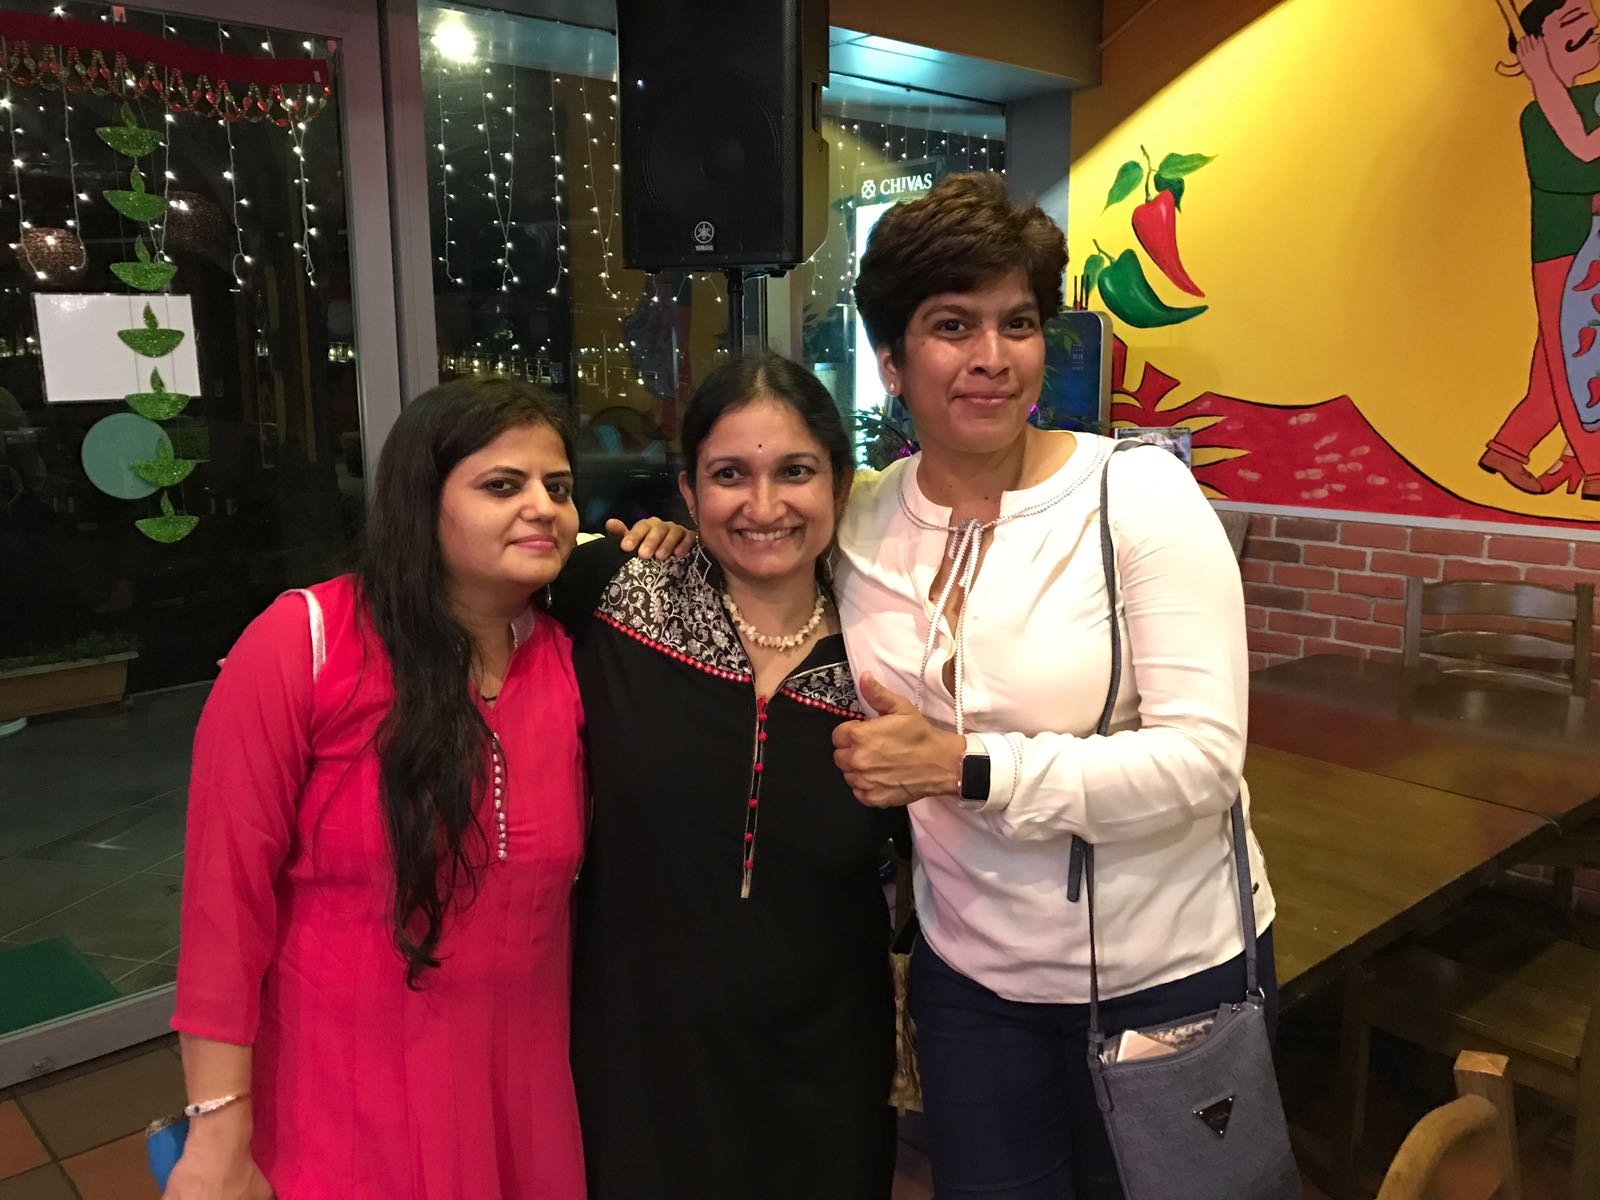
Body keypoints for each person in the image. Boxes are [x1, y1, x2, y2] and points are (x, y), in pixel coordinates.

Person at [829, 172, 1279, 1199]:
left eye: (1018, 323)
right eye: (952, 325)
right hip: (972, 984)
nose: (992, 357)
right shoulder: (859, 521)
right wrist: (658, 539)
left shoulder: (1136, 495)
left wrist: (965, 767)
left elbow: (1203, 762)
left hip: (1167, 974)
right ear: (892, 360)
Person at [164, 377, 686, 1200]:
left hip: (521, 1101)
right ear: (421, 501)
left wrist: (678, 552)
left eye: (557, 487)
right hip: (340, 1103)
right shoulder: (306, 644)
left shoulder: (569, 661)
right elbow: (222, 908)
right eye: (502, 485)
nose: (543, 508)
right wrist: (217, 1129)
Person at [555, 353, 905, 1200]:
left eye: (796, 472)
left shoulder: (892, 653)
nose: (764, 505)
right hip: (637, 1060)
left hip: (824, 1068)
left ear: (841, 483)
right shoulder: (612, 597)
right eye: (729, 475)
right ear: (687, 491)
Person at [1479, 0, 1600, 500]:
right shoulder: (1536, 116)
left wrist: (1545, 79)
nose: (1590, 31)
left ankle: (1510, 448)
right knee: (1579, 356)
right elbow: (1585, 153)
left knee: (1561, 356)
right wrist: (1543, 79)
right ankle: (1595, 466)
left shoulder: (1593, 97)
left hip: (1590, 243)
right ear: (1533, 48)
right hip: (1565, 248)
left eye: (1591, 21)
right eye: (1572, 25)